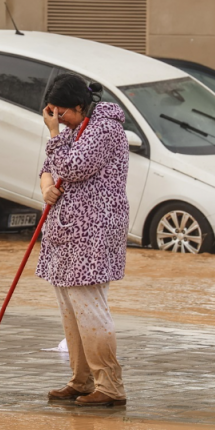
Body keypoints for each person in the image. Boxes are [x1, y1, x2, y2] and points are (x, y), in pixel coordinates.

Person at [37, 73, 129, 407]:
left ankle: (110, 385)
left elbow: (74, 166)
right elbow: (49, 165)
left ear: (80, 105)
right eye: (52, 114)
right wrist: (46, 187)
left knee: (89, 307)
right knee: (70, 308)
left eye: (62, 113)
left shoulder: (105, 129)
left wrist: (53, 133)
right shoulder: (76, 130)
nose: (58, 120)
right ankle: (81, 380)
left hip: (95, 232)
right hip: (65, 232)